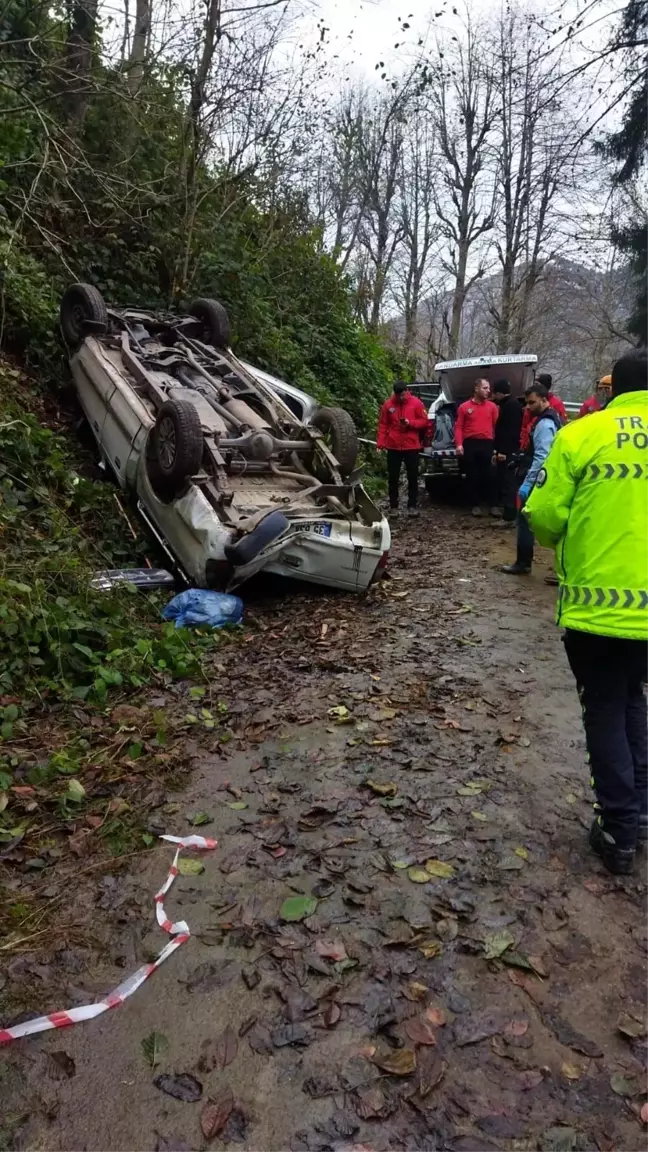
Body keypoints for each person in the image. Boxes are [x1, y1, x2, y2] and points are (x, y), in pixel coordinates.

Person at [525, 353, 648, 875]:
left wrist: (557, 538)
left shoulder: (582, 434)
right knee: (633, 701)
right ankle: (638, 816)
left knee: (603, 707)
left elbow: (545, 515)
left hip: (597, 611)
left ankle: (618, 829)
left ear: (612, 389)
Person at [501, 382, 561, 576]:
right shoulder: (546, 419)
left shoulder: (545, 423)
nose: (528, 407)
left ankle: (523, 562)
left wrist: (528, 483)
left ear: (544, 400)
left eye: (532, 402)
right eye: (526, 403)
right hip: (541, 476)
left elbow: (541, 457)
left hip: (538, 479)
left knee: (525, 522)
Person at [377, 381, 429, 517]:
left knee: (412, 477)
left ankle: (412, 506)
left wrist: (410, 423)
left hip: (411, 446)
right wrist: (380, 443)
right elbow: (383, 425)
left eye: (403, 394)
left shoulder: (416, 403)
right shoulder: (388, 405)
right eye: (398, 395)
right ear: (395, 393)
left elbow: (424, 421)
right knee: (393, 477)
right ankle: (393, 506)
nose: (401, 397)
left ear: (406, 391)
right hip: (393, 446)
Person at [455, 378, 499, 516]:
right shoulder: (463, 407)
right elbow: (459, 427)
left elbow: (496, 426)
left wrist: (498, 446)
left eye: (488, 388)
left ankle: (493, 505)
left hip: (487, 444)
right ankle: (475, 505)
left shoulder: (492, 407)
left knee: (491, 475)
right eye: (485, 388)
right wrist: (459, 444)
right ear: (476, 389)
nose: (488, 391)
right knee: (472, 475)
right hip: (470, 444)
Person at [492, 378, 523, 523]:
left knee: (508, 482)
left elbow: (510, 431)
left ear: (499, 393)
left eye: (494, 394)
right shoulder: (508, 404)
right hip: (505, 450)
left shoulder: (511, 406)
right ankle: (508, 512)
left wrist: (503, 451)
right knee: (505, 481)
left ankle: (509, 516)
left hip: (508, 452)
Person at [520, 372, 567, 451]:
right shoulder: (531, 401)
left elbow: (561, 424)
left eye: (537, 384)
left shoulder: (556, 404)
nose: (528, 406)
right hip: (528, 443)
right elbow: (525, 423)